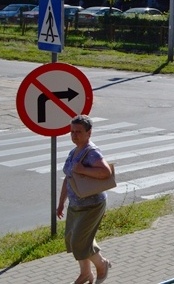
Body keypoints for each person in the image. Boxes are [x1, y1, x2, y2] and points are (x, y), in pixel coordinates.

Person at [57, 115, 113, 284]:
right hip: (76, 204)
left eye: (78, 132)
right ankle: (86, 273)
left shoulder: (92, 152)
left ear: (89, 133)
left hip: (92, 205)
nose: (74, 135)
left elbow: (105, 172)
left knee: (79, 242)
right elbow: (68, 179)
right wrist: (61, 203)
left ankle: (102, 264)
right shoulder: (73, 152)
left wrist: (83, 169)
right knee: (74, 240)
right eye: (72, 132)